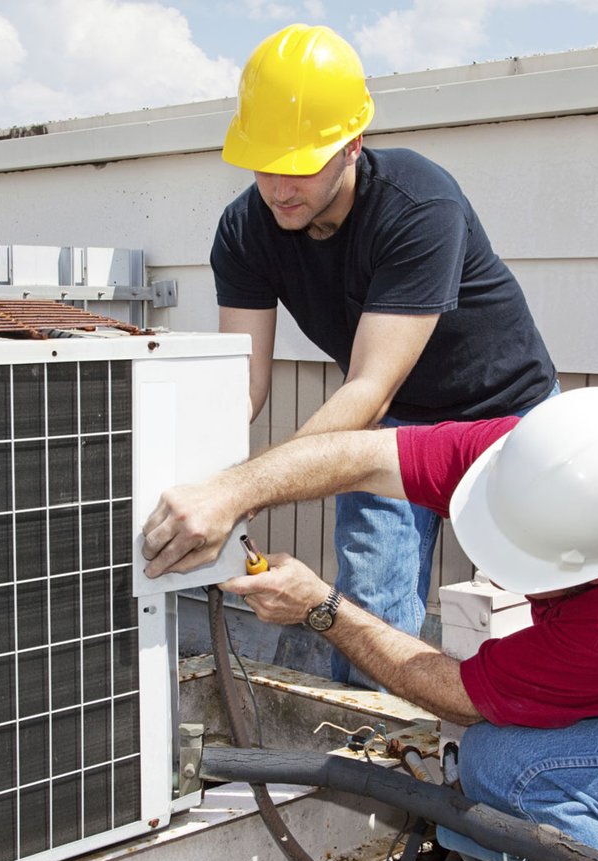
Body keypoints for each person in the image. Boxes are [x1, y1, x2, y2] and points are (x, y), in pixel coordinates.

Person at [141, 387, 598, 861]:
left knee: (508, 768)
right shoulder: (535, 458)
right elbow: (359, 455)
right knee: (502, 800)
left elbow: (462, 698)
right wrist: (230, 492)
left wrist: (321, 608)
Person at [212, 23, 558, 684]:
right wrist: (203, 473)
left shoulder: (418, 204)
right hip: (394, 422)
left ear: (352, 146)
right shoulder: (245, 229)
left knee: (544, 599)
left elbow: (368, 384)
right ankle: (373, 764)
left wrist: (243, 489)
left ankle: (527, 756)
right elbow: (243, 381)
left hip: (508, 417)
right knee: (368, 603)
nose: (281, 186)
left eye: (304, 163)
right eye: (266, 163)